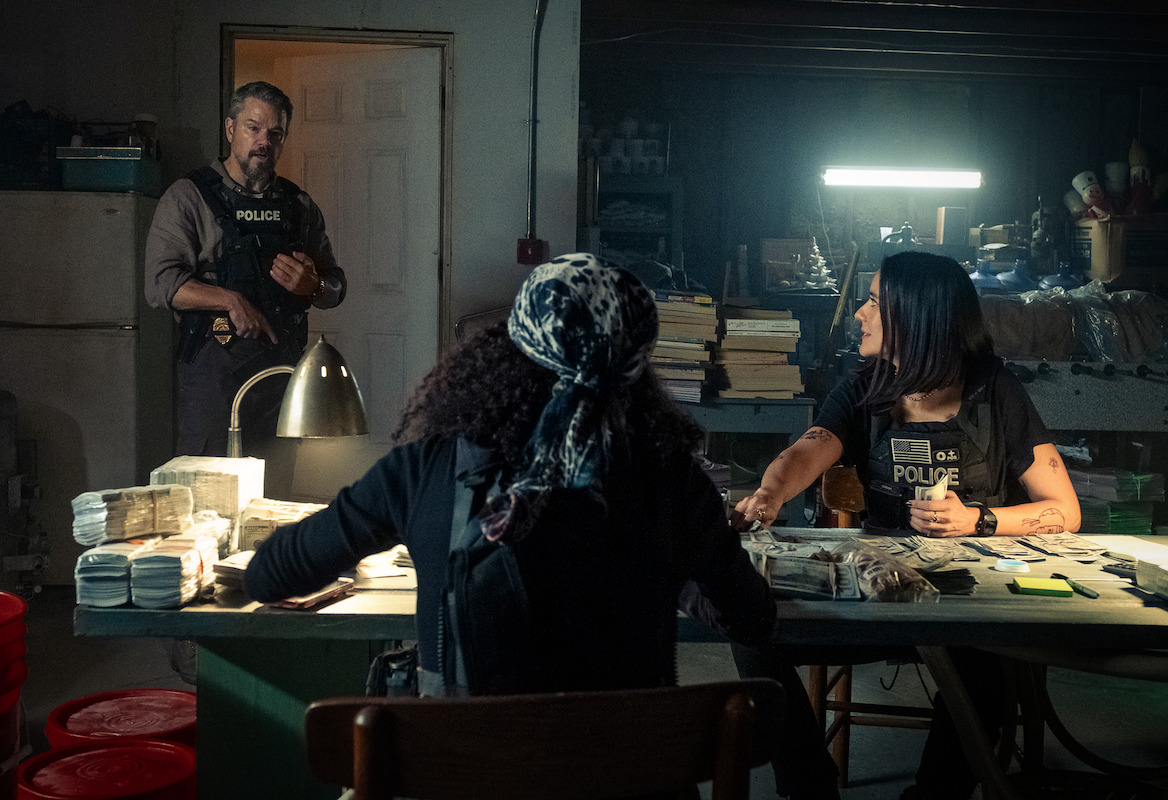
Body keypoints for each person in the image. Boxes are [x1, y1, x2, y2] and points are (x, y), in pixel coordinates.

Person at [244, 253, 776, 689]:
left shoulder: (425, 469)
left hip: (462, 779)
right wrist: (672, 568)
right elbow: (752, 619)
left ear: (507, 346)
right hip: (631, 782)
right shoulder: (673, 480)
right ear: (637, 364)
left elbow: (271, 576)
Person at [732, 250, 1082, 800]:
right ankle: (808, 786)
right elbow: (807, 451)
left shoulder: (996, 392)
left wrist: (977, 520)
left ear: (916, 318)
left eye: (874, 302)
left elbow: (1065, 509)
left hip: (969, 601)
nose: (859, 314)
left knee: (988, 669)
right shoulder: (868, 387)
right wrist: (769, 495)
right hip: (882, 592)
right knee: (751, 634)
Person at [145, 80, 347, 456]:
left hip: (281, 378)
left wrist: (313, 285)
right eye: (253, 128)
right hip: (214, 377)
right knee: (211, 500)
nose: (263, 141)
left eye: (275, 133)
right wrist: (229, 300)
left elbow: (336, 288)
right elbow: (161, 284)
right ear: (230, 129)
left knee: (275, 500)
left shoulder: (298, 206)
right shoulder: (189, 197)